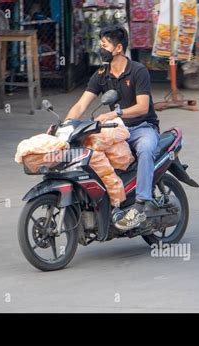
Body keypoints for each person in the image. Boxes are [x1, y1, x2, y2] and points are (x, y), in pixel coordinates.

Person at [63, 25, 160, 231]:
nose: (100, 48)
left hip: (142, 127)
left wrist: (116, 113)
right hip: (116, 129)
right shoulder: (101, 74)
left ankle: (144, 204)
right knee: (91, 153)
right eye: (100, 44)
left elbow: (143, 107)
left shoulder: (138, 71)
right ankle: (113, 203)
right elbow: (81, 105)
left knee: (145, 149)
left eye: (104, 44)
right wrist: (65, 126)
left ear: (117, 49)